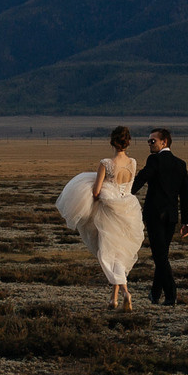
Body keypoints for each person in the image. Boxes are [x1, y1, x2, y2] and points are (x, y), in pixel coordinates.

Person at [55, 126, 146, 310]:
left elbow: (96, 191)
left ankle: (125, 293)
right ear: (127, 142)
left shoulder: (106, 163)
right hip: (127, 210)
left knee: (109, 255)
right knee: (119, 253)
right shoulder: (133, 163)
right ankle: (113, 299)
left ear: (112, 142)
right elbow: (128, 187)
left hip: (108, 213)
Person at [131, 127, 188, 306]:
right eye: (148, 141)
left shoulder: (154, 160)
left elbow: (141, 179)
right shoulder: (180, 164)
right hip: (171, 217)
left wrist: (123, 194)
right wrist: (186, 221)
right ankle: (155, 293)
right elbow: (185, 195)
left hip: (155, 216)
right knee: (162, 254)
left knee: (160, 257)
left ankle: (171, 294)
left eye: (153, 141)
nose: (149, 144)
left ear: (164, 142)